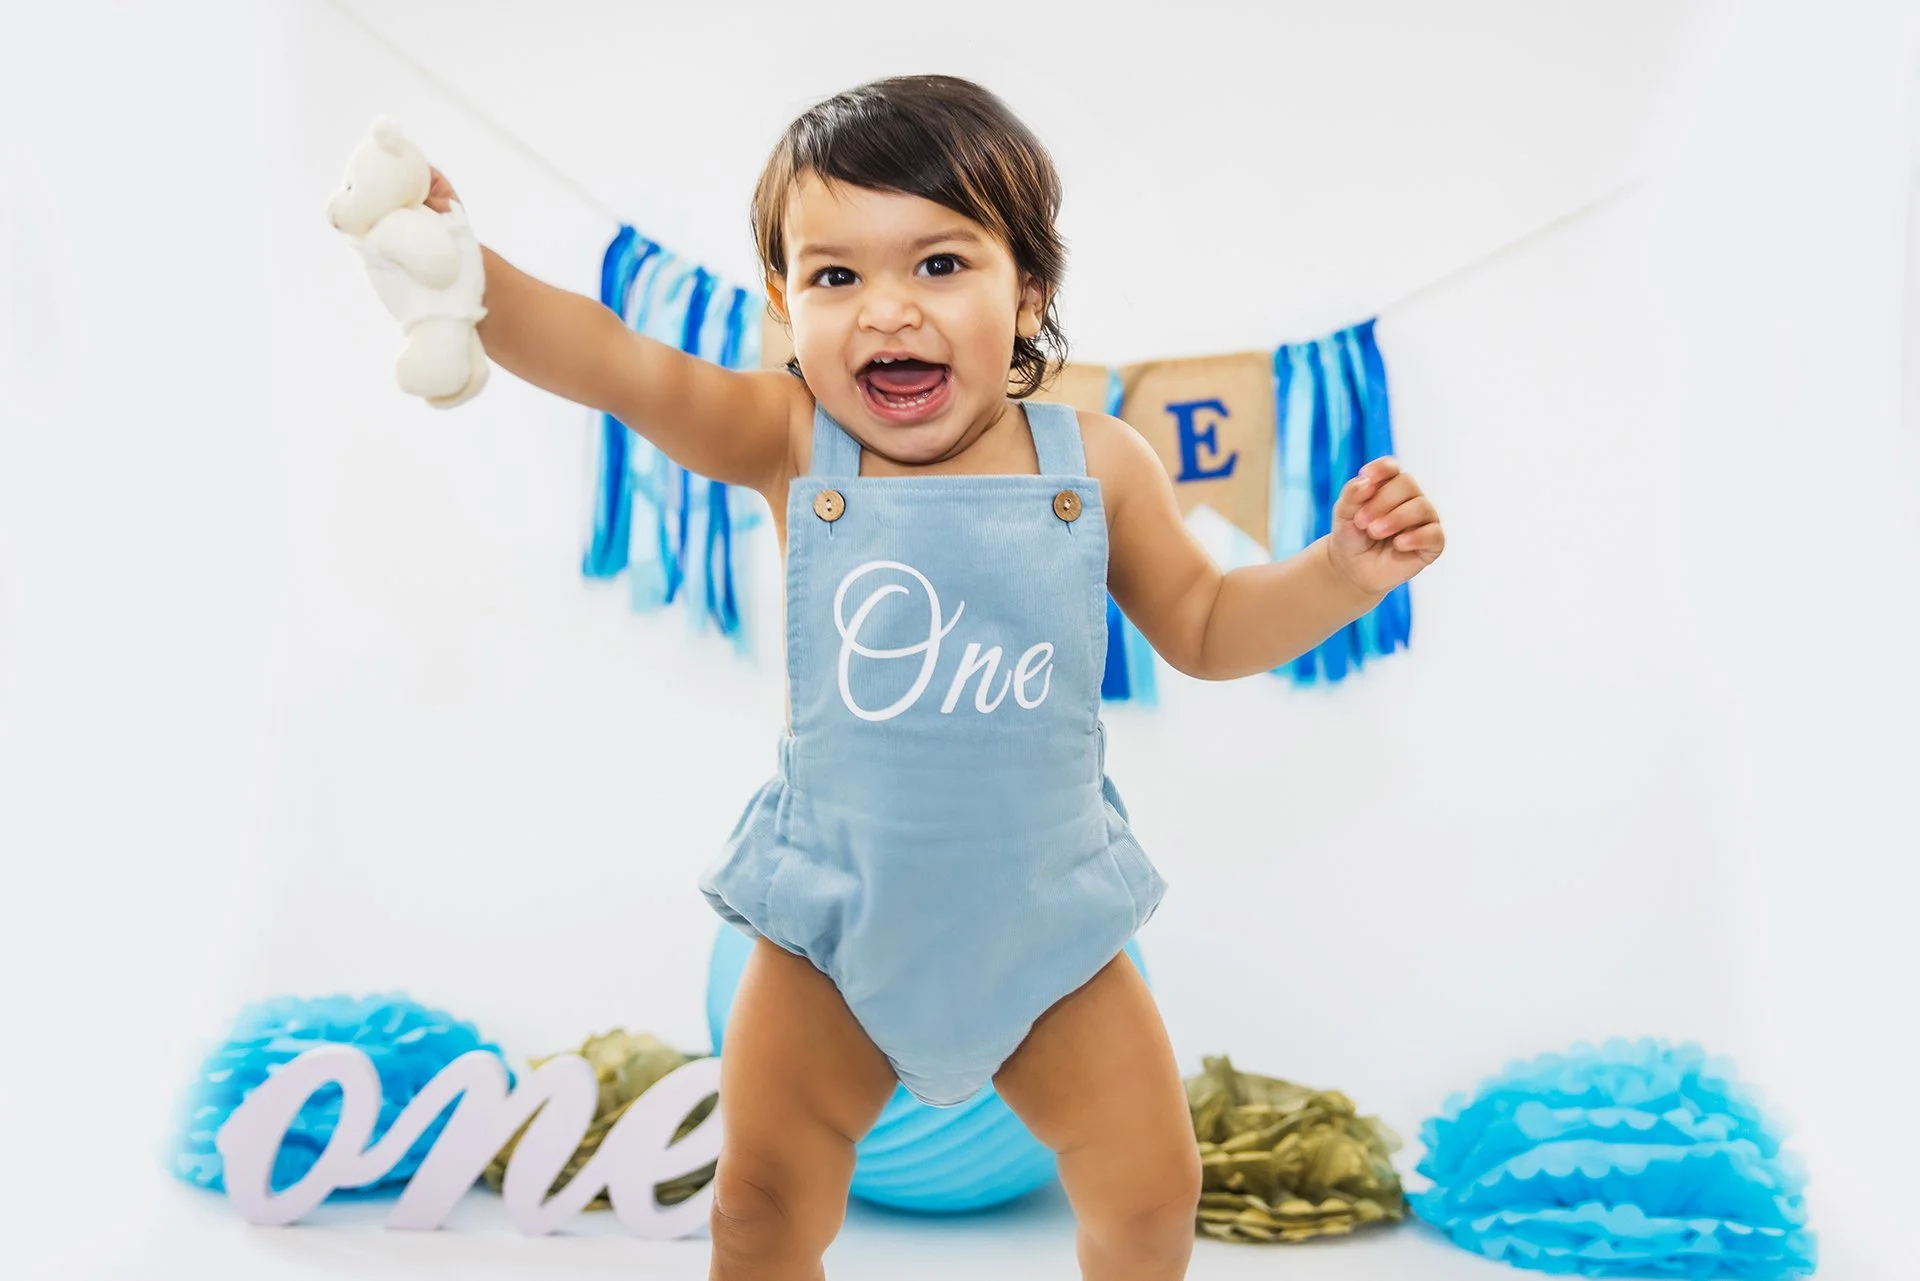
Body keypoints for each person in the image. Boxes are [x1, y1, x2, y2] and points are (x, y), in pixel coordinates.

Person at [415, 74, 1444, 1281]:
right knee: (759, 1205)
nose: (888, 310)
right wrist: (464, 275)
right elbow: (622, 365)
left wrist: (1340, 573)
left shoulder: (1096, 462)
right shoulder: (792, 440)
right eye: (835, 276)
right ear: (783, 302)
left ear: (1029, 290)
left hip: (1048, 931)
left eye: (941, 264)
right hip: (834, 924)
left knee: (1153, 1193)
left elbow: (1210, 626)